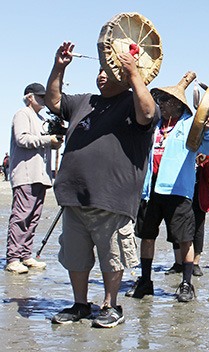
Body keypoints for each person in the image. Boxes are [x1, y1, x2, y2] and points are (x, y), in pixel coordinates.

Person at [47, 41, 159, 327]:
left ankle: (111, 305)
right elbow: (54, 101)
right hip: (74, 197)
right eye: (99, 70)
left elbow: (147, 114)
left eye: (108, 70)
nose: (101, 75)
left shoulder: (133, 101)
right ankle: (80, 304)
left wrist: (135, 75)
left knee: (112, 256)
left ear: (122, 74)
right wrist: (59, 67)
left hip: (112, 199)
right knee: (76, 257)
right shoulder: (84, 101)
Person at [126, 72, 209, 303]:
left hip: (177, 191)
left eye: (165, 101)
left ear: (177, 104)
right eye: (160, 100)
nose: (161, 104)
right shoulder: (153, 124)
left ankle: (186, 284)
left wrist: (207, 129)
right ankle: (145, 281)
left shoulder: (189, 124)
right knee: (146, 236)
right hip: (151, 190)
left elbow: (207, 147)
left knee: (184, 239)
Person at [5, 83, 63, 274]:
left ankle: (25, 254)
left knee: (34, 217)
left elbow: (47, 145)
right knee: (21, 216)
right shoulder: (23, 114)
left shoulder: (41, 118)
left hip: (41, 175)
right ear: (29, 97)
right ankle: (13, 257)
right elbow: (22, 139)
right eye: (39, 97)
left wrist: (56, 140)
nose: (43, 100)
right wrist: (48, 140)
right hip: (25, 174)